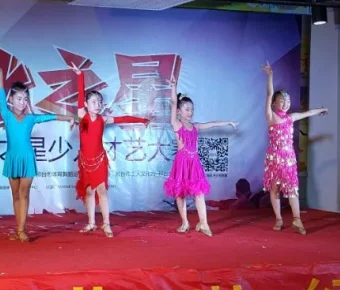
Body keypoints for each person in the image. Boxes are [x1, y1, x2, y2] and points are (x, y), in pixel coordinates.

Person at [0, 60, 75, 242]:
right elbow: (0, 91)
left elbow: (51, 116)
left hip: (27, 158)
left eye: (25, 99)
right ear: (11, 100)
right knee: (15, 195)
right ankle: (18, 229)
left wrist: (69, 118)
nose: (22, 102)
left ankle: (21, 230)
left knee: (24, 193)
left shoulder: (31, 118)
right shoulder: (6, 114)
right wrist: (0, 72)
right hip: (12, 158)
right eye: (19, 99)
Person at [70, 63, 148, 237]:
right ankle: (91, 223)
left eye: (99, 102)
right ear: (86, 104)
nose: (97, 105)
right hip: (85, 161)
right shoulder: (82, 116)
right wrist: (80, 75)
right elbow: (80, 94)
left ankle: (106, 224)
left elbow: (124, 119)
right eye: (93, 102)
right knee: (88, 191)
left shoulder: (103, 119)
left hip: (99, 160)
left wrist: (142, 120)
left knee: (102, 191)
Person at [164, 76, 238, 236]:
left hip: (194, 162)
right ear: (179, 112)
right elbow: (173, 103)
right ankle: (185, 222)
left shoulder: (195, 126)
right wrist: (173, 87)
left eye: (192, 109)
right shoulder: (176, 124)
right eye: (187, 109)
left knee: (199, 193)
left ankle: (203, 223)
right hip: (182, 163)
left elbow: (212, 124)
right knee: (180, 193)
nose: (190, 112)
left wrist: (228, 122)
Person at [262, 61, 328, 234]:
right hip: (274, 158)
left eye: (288, 101)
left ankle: (297, 219)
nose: (285, 103)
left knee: (292, 188)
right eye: (281, 101)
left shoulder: (290, 117)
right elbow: (269, 94)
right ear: (274, 103)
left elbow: (307, 113)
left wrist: (321, 110)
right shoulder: (271, 117)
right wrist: (270, 76)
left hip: (289, 158)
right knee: (275, 189)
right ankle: (278, 219)